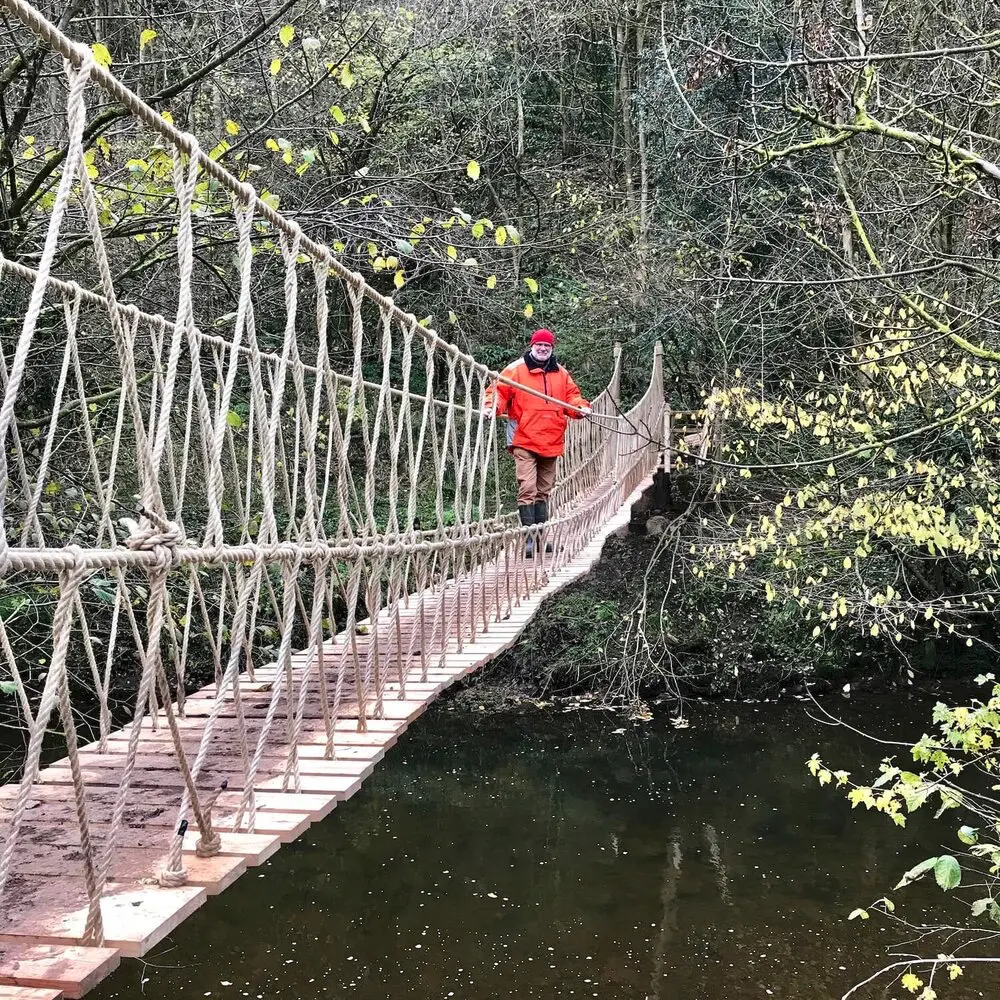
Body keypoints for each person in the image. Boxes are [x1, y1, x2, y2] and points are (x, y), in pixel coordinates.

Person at [483, 328, 591, 556]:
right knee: (528, 487)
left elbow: (572, 396)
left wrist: (581, 407)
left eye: (547, 346)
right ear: (532, 346)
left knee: (544, 491)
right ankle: (529, 539)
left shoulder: (561, 374)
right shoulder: (516, 370)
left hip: (551, 439)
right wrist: (492, 407)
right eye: (539, 345)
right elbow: (498, 391)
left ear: (552, 349)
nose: (542, 349)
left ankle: (541, 538)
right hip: (523, 438)